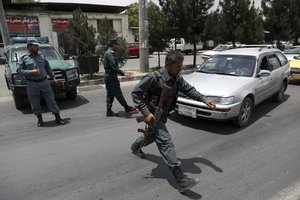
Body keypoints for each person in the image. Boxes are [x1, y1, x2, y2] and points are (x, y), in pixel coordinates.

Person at [130, 50, 216, 193]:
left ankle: (135, 146)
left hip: (163, 115)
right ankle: (181, 179)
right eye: (178, 66)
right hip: (153, 115)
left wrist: (204, 100)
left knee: (152, 136)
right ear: (168, 65)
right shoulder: (154, 77)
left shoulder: (177, 78)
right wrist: (146, 113)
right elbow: (136, 93)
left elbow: (189, 90)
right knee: (166, 141)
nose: (180, 69)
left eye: (181, 66)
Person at [16, 38, 65, 127]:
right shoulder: (23, 58)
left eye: (37, 45)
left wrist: (53, 78)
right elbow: (19, 70)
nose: (37, 47)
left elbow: (48, 68)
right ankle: (40, 119)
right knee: (34, 102)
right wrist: (31, 72)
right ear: (29, 46)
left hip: (44, 82)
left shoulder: (42, 55)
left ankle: (58, 118)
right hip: (32, 83)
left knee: (51, 100)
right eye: (35, 46)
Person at [104, 38, 137, 117]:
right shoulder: (110, 54)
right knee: (118, 93)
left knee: (110, 94)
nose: (117, 46)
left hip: (108, 77)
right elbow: (114, 67)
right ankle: (126, 107)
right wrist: (123, 73)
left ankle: (108, 111)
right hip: (111, 77)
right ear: (113, 45)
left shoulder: (108, 52)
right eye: (116, 44)